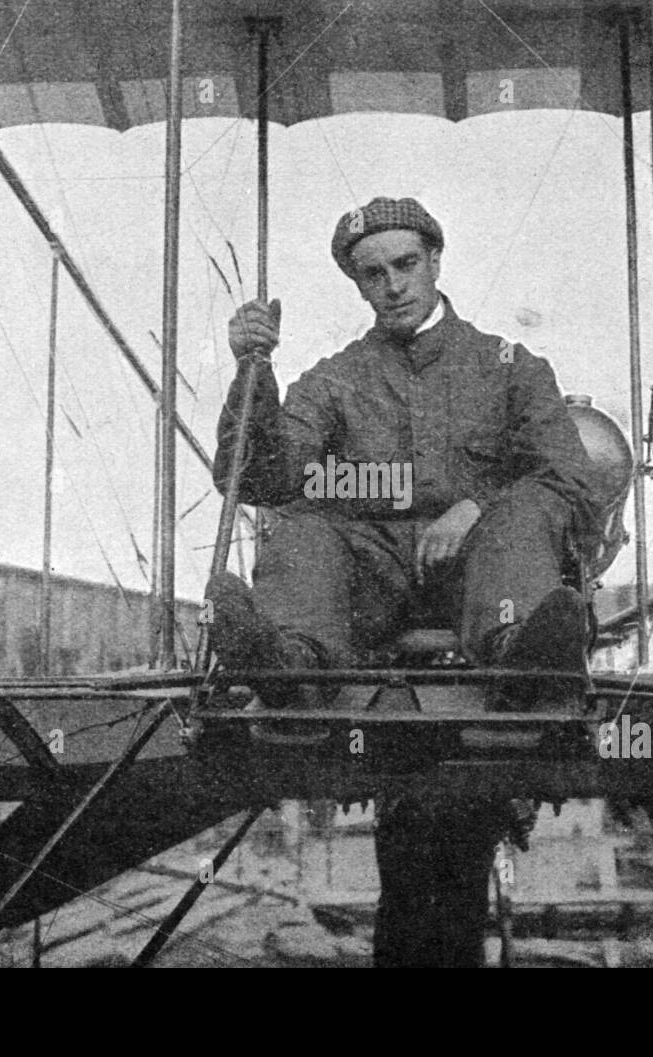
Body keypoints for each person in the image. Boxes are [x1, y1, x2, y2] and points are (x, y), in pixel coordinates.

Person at [208, 196, 598, 966]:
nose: (392, 284)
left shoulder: (510, 366)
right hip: (372, 587)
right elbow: (258, 476)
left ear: (435, 261)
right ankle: (287, 662)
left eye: (405, 265)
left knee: (525, 509)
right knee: (304, 521)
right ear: (358, 286)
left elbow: (573, 480)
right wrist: (253, 369)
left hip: (486, 584)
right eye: (372, 273)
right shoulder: (336, 379)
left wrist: (477, 503)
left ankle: (527, 654)